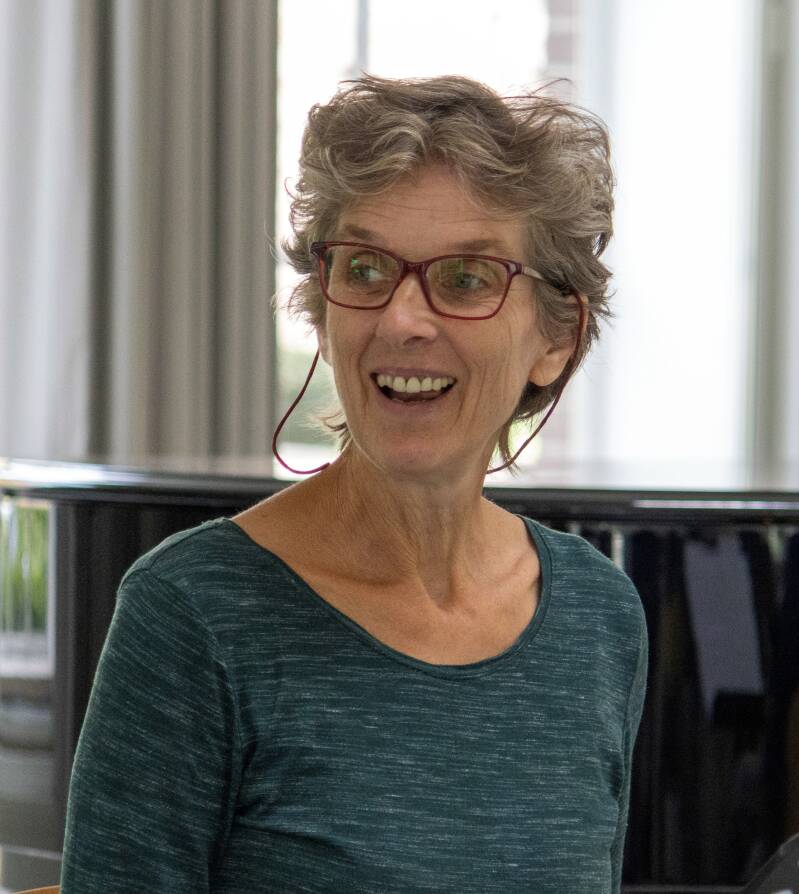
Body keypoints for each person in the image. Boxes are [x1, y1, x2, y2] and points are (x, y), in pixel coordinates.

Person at [60, 74, 648, 893]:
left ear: (556, 337)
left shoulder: (598, 615)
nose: (401, 319)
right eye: (366, 268)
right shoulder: (192, 612)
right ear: (322, 308)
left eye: (466, 278)